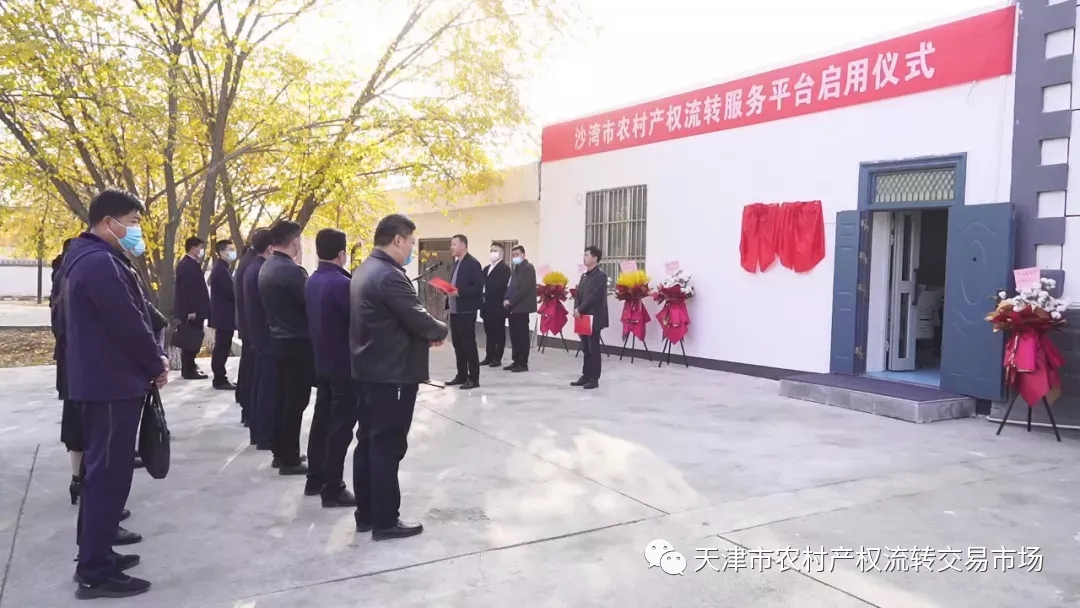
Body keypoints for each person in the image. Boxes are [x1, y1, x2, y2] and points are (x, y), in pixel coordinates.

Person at [56, 188, 168, 599]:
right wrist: (155, 363)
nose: (137, 231)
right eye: (133, 222)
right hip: (110, 384)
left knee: (102, 473)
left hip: (101, 381)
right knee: (108, 475)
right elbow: (129, 323)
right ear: (109, 222)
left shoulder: (86, 257)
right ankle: (95, 571)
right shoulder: (100, 263)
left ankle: (97, 552)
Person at [351, 213, 448, 540]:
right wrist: (440, 330)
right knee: (387, 447)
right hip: (391, 373)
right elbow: (418, 318)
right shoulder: (389, 276)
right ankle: (385, 520)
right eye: (410, 242)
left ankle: (366, 514)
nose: (411, 249)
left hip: (370, 370)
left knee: (368, 442)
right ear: (397, 239)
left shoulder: (365, 270)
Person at [304, 228, 357, 507]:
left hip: (322, 360)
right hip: (343, 364)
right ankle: (333, 488)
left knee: (321, 420)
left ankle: (315, 478)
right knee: (340, 427)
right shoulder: (342, 284)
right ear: (341, 253)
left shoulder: (313, 280)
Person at [258, 220, 314, 474]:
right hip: (297, 342)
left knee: (283, 399)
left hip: (279, 339)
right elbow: (310, 302)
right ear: (294, 242)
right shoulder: (292, 271)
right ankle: (289, 458)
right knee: (295, 401)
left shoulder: (268, 266)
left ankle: (280, 451)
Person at [242, 229, 275, 449]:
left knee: (260, 384)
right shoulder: (260, 269)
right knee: (265, 386)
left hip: (257, 334)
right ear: (270, 248)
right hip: (264, 335)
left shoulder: (252, 266)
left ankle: (259, 431)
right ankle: (264, 435)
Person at [234, 230, 267, 426]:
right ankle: (249, 411)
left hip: (247, 325)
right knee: (252, 370)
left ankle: (247, 408)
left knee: (249, 367)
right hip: (252, 327)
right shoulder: (254, 265)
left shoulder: (248, 261)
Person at [445, 234, 483, 389]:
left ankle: (473, 378)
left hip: (467, 310)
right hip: (455, 310)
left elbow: (477, 287)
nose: (451, 247)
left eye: (454, 244)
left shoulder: (473, 263)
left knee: (468, 344)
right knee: (457, 344)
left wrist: (459, 292)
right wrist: (447, 290)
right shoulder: (456, 263)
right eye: (451, 244)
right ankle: (461, 375)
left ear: (463, 245)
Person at [572, 246, 609, 390]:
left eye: (587, 255)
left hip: (594, 316)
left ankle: (594, 378)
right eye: (584, 255)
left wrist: (580, 309)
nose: (584, 257)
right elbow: (578, 294)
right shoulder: (584, 275)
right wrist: (576, 308)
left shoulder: (600, 276)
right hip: (582, 316)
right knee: (585, 348)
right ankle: (585, 375)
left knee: (593, 349)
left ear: (595, 258)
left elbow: (594, 296)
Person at [173, 236, 210, 379]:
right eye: (201, 248)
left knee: (193, 339)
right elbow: (188, 290)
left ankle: (190, 367)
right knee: (190, 340)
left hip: (196, 310)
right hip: (192, 312)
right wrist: (191, 310)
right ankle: (189, 370)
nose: (202, 251)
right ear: (194, 248)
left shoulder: (191, 264)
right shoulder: (187, 265)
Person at [208, 239, 238, 390]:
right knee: (222, 347)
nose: (233, 252)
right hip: (223, 316)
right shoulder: (221, 270)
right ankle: (220, 378)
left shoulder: (224, 268)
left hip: (224, 315)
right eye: (230, 249)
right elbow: (231, 292)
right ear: (221, 252)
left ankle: (220, 377)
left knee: (223, 346)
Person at [503, 245, 537, 372]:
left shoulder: (528, 268)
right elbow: (511, 286)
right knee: (514, 336)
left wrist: (511, 301)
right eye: (513, 255)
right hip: (513, 308)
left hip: (521, 307)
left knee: (522, 336)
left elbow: (525, 288)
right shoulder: (516, 268)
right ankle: (516, 360)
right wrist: (506, 298)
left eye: (517, 254)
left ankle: (522, 363)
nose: (514, 257)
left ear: (523, 254)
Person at [480, 243, 511, 368]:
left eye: (495, 250)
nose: (493, 253)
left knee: (498, 332)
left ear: (501, 253)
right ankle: (489, 356)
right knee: (489, 332)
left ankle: (497, 358)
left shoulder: (505, 269)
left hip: (498, 306)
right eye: (491, 250)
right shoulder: (486, 269)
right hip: (486, 305)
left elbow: (505, 288)